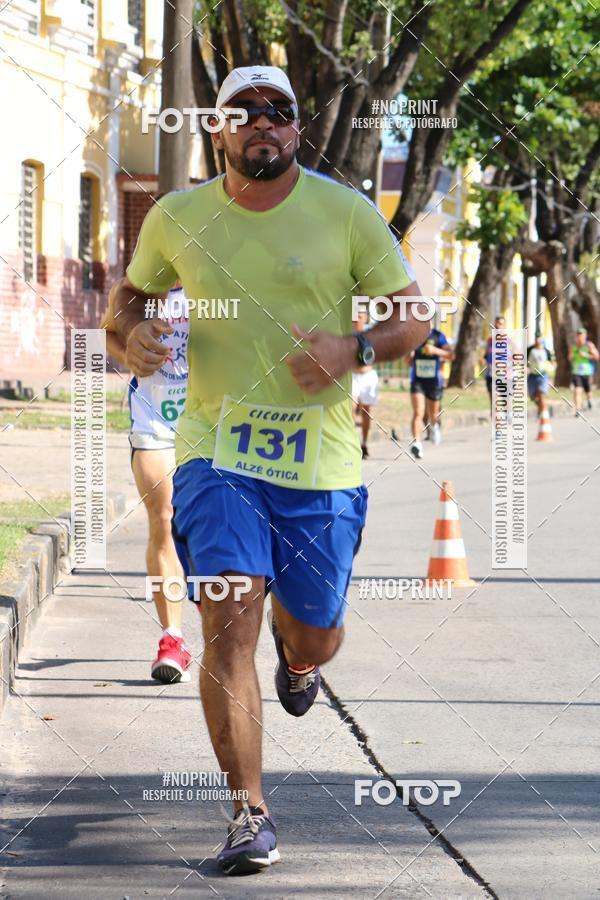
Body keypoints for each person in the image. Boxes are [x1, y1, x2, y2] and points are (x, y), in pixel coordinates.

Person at [108, 64, 427, 876]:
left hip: (319, 466)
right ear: (216, 130)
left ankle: (301, 661)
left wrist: (352, 349)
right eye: (241, 113)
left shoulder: (346, 212)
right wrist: (130, 338)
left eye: (276, 111)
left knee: (313, 626)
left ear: (296, 128)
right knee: (228, 618)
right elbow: (129, 303)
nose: (261, 124)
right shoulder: (178, 218)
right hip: (216, 454)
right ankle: (249, 812)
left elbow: (413, 314)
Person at [102, 284, 192, 684]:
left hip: (223, 423)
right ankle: (171, 640)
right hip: (157, 419)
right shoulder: (140, 283)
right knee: (164, 518)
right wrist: (133, 357)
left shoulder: (231, 266)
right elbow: (104, 333)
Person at [408, 327, 453, 459]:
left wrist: (435, 350)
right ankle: (417, 443)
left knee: (433, 414)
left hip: (433, 381)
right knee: (418, 412)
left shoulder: (438, 336)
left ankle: (434, 426)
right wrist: (408, 356)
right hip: (417, 380)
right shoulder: (413, 335)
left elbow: (451, 355)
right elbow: (406, 360)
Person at [351, 309, 379, 458]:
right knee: (352, 406)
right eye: (355, 315)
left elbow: (377, 355)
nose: (357, 318)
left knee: (366, 411)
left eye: (360, 315)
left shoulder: (370, 334)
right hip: (352, 376)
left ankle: (364, 443)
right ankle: (352, 442)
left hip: (368, 376)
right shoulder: (346, 333)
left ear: (366, 317)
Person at [568, 327, 599, 415]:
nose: (579, 337)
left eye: (581, 335)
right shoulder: (573, 346)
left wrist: (586, 355)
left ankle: (589, 399)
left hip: (587, 372)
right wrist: (571, 357)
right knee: (577, 390)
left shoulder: (589, 345)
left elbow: (597, 356)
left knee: (588, 390)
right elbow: (570, 357)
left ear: (585, 336)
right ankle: (578, 409)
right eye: (578, 335)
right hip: (576, 372)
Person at [481, 315, 505, 411]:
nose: (498, 326)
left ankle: (508, 414)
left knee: (504, 399)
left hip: (504, 374)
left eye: (501, 324)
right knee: (493, 397)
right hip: (491, 374)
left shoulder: (508, 341)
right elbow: (487, 354)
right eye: (496, 324)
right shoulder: (490, 340)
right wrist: (483, 359)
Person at [526, 331, 553, 416]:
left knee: (540, 393)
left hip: (542, 375)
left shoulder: (546, 351)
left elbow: (552, 361)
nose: (538, 339)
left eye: (539, 337)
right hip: (532, 375)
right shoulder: (529, 349)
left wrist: (552, 367)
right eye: (537, 338)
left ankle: (542, 413)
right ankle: (542, 408)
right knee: (532, 397)